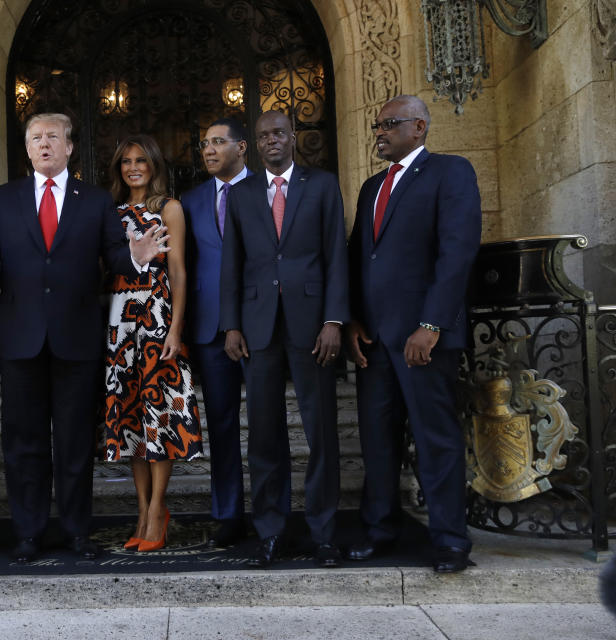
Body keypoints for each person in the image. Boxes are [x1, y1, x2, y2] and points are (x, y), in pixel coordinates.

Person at [0, 113, 167, 563]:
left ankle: (76, 532)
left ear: (70, 147)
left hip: (77, 338)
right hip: (20, 339)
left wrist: (135, 256)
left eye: (53, 137)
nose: (45, 144)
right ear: (28, 149)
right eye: (36, 139)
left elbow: (113, 254)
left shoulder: (93, 201)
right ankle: (29, 533)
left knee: (73, 443)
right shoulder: (4, 198)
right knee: (23, 443)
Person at [345, 94, 481, 573]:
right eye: (377, 125)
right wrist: (354, 319)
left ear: (419, 127)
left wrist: (431, 324)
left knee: (435, 438)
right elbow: (361, 258)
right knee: (378, 440)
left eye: (389, 124)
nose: (379, 132)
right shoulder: (370, 188)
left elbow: (458, 251)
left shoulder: (451, 172)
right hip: (376, 340)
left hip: (425, 339)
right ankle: (381, 529)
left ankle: (449, 540)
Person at [220, 109, 349, 568]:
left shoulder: (323, 185)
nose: (271, 140)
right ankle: (271, 531)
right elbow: (231, 264)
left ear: (293, 137)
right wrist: (231, 324)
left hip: (313, 326)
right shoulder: (242, 194)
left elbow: (337, 256)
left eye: (279, 132)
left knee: (320, 433)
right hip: (257, 328)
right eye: (263, 136)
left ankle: (324, 533)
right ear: (254, 144)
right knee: (264, 436)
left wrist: (335, 320)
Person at [104, 135, 203, 552]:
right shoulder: (109, 213)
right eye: (126, 161)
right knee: (129, 421)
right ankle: (141, 507)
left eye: (141, 159)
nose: (133, 167)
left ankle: (157, 510)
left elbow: (179, 272)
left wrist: (176, 331)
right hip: (118, 325)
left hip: (158, 319)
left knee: (159, 419)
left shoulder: (169, 209)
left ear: (155, 163)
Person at [181, 118, 253, 548]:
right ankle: (229, 516)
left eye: (218, 142)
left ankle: (270, 513)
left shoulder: (266, 189)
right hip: (208, 329)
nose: (208, 149)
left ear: (241, 147)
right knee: (221, 426)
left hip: (261, 325)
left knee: (266, 428)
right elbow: (184, 269)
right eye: (204, 143)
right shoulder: (190, 201)